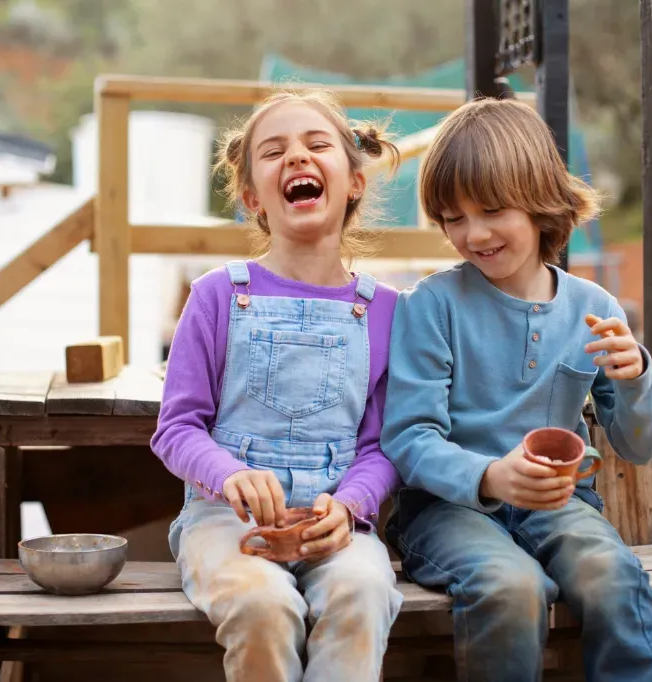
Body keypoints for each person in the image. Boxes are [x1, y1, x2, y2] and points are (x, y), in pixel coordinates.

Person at [380, 97, 652, 681]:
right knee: (511, 587)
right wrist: (489, 476)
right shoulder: (431, 306)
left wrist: (635, 377)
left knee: (611, 574)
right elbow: (410, 437)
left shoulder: (594, 309)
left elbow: (639, 447)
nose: (474, 233)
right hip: (446, 510)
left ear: (541, 200)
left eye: (491, 209)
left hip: (559, 505)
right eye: (452, 217)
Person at [151, 89, 405, 682]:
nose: (297, 158)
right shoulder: (217, 295)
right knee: (264, 604)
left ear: (354, 182)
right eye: (274, 152)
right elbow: (176, 429)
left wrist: (351, 505)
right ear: (250, 198)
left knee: (364, 591)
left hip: (334, 520)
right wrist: (228, 474)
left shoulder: (388, 311)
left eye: (317, 146)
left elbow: (382, 446)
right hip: (224, 520)